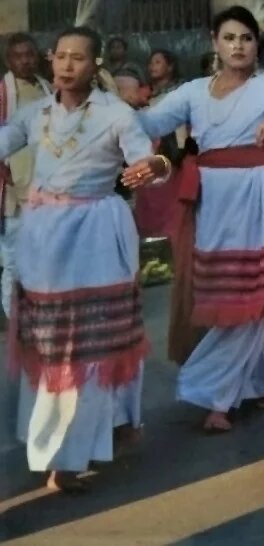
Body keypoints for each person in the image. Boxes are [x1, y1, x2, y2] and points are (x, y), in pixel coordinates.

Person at [138, 6, 264, 432]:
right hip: (210, 199)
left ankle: (214, 395)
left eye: (246, 38)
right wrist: (114, 102)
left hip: (255, 195)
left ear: (256, 45)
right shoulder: (192, 92)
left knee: (248, 295)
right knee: (228, 290)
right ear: (214, 43)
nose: (238, 45)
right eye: (230, 38)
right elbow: (148, 121)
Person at [1, 26, 170, 491]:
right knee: (53, 345)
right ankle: (57, 445)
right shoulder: (35, 114)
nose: (66, 66)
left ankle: (77, 452)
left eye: (78, 58)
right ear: (50, 60)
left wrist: (152, 167)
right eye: (60, 57)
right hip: (42, 238)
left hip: (95, 233)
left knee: (95, 343)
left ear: (94, 65)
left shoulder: (115, 114)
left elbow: (151, 164)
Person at [0, 33, 51, 319]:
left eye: (30, 54)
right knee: (13, 263)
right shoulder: (3, 93)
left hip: (46, 189)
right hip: (12, 192)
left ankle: (40, 319)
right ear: (9, 60)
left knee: (44, 259)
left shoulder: (47, 89)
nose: (25, 60)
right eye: (18, 56)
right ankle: (15, 322)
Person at [134, 49, 187, 240]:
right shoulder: (143, 94)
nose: (152, 66)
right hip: (147, 155)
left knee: (171, 204)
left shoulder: (180, 92)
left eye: (157, 62)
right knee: (148, 204)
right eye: (151, 63)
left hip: (172, 154)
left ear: (170, 66)